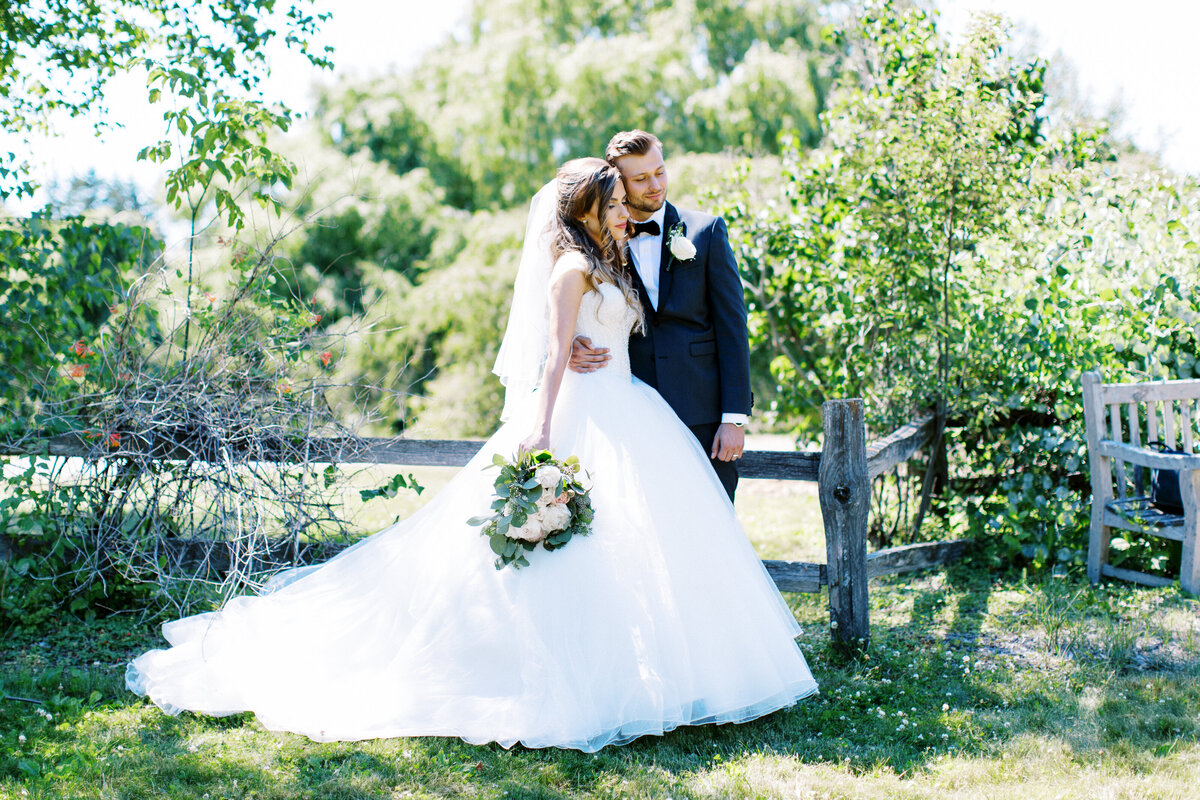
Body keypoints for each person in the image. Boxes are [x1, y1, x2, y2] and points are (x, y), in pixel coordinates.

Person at [126, 158, 817, 752]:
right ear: (585, 210)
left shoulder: (611, 258)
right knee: (568, 554)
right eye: (611, 204)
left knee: (640, 547)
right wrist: (541, 427)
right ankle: (547, 676)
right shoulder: (573, 266)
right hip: (582, 415)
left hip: (632, 411)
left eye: (621, 204)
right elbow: (552, 355)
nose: (624, 211)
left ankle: (661, 674)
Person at [571, 130, 750, 502]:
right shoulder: (599, 247)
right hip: (635, 414)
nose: (655, 185)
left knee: (712, 527)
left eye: (660, 172)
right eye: (640, 179)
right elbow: (579, 305)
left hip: (704, 416)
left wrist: (733, 418)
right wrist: (574, 341)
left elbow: (733, 328)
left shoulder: (707, 231)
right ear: (617, 182)